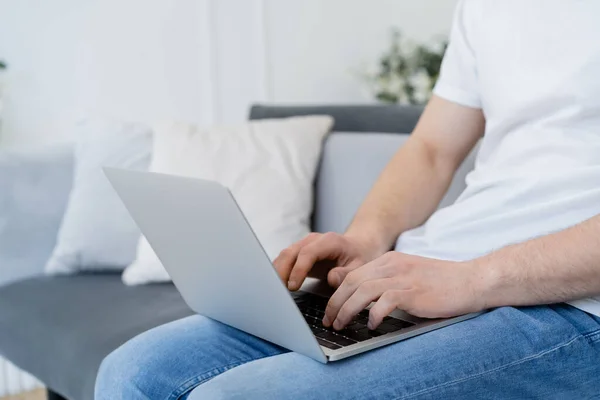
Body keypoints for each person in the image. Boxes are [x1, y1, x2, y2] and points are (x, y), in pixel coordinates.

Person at [95, 0, 600, 398]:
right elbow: (431, 150)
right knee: (134, 373)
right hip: (439, 271)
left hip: (573, 302)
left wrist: (474, 279)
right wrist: (366, 238)